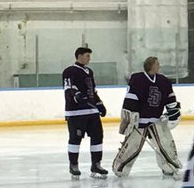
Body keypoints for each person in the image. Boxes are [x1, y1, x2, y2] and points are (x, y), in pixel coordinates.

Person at [113, 56, 183, 178]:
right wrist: (130, 117)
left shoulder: (164, 81)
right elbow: (130, 98)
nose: (159, 65)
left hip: (156, 119)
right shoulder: (137, 79)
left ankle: (170, 168)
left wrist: (173, 114)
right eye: (157, 63)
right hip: (139, 120)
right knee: (133, 146)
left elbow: (170, 100)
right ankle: (120, 168)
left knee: (165, 144)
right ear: (151, 66)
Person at [63, 46, 108, 179]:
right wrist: (76, 95)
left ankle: (96, 164)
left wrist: (99, 104)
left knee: (98, 136)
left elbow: (92, 91)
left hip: (91, 111)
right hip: (76, 112)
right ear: (80, 56)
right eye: (87, 56)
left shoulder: (89, 72)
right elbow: (68, 88)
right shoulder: (69, 71)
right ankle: (73, 165)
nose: (89, 58)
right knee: (75, 138)